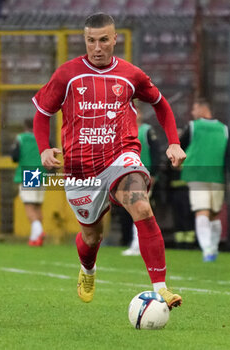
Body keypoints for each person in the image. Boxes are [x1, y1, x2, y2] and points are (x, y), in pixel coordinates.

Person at [32, 13, 186, 309]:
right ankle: (88, 270)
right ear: (85, 40)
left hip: (121, 155)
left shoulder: (131, 75)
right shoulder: (67, 74)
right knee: (91, 237)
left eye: (104, 40)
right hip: (80, 168)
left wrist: (174, 142)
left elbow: (160, 104)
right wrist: (44, 148)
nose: (97, 47)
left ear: (116, 39)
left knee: (140, 203)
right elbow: (42, 112)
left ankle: (161, 288)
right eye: (91, 40)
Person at [181, 98, 230, 261]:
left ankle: (210, 248)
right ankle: (210, 248)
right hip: (216, 176)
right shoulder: (224, 129)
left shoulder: (193, 126)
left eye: (195, 109)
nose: (193, 113)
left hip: (197, 173)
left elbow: (179, 146)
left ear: (203, 108)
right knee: (211, 212)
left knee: (207, 212)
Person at [121, 105, 161, 256]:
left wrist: (154, 174)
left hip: (144, 174)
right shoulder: (123, 130)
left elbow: (156, 152)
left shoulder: (147, 130)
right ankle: (138, 243)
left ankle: (138, 245)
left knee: (140, 208)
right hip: (127, 175)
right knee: (134, 209)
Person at [11, 118, 45, 246]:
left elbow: (14, 157)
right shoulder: (43, 137)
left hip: (28, 173)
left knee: (29, 206)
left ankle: (39, 231)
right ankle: (35, 238)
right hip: (41, 173)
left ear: (25, 126)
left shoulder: (21, 138)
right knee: (37, 206)